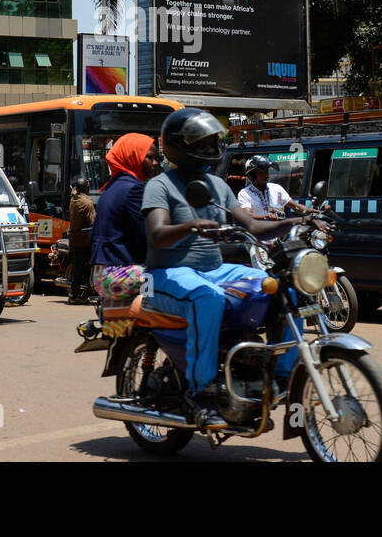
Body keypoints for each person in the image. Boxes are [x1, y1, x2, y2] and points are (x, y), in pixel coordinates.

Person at [142, 108, 323, 430]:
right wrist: (191, 225)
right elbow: (157, 233)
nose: (211, 147)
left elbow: (252, 224)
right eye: (203, 142)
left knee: (285, 285)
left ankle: (280, 375)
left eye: (214, 141)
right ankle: (201, 395)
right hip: (165, 274)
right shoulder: (160, 185)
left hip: (215, 269)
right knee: (207, 298)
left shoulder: (217, 184)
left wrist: (298, 220)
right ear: (178, 145)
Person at [89, 133, 160, 306]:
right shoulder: (133, 189)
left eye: (156, 158)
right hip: (119, 274)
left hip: (102, 274)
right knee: (174, 277)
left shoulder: (112, 187)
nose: (155, 163)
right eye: (149, 157)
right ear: (132, 157)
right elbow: (147, 236)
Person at [236, 155, 310, 219]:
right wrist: (266, 216)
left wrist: (313, 212)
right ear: (252, 175)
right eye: (261, 173)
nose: (266, 175)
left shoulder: (276, 188)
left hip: (277, 233)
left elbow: (296, 207)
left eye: (266, 172)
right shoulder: (244, 193)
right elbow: (248, 215)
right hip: (257, 233)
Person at [65, 177, 96, 305]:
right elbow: (93, 222)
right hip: (83, 239)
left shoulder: (74, 198)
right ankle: (73, 295)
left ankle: (79, 292)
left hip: (74, 238)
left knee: (78, 266)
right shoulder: (86, 203)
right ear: (86, 188)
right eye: (88, 185)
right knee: (79, 267)